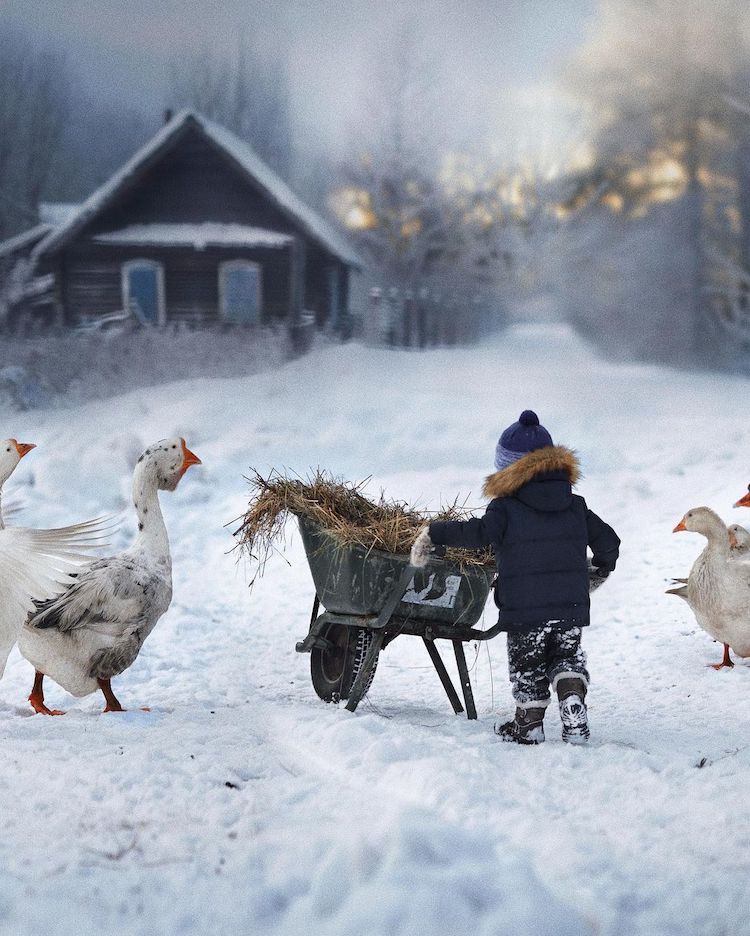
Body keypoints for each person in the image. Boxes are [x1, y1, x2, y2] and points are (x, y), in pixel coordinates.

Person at [410, 410, 620, 744]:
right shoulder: (576, 505)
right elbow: (609, 542)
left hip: (524, 611)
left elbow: (477, 534)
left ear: (509, 469)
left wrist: (434, 533)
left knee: (529, 666)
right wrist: (599, 570)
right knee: (566, 656)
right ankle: (571, 697)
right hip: (569, 606)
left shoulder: (505, 508)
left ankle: (528, 726)